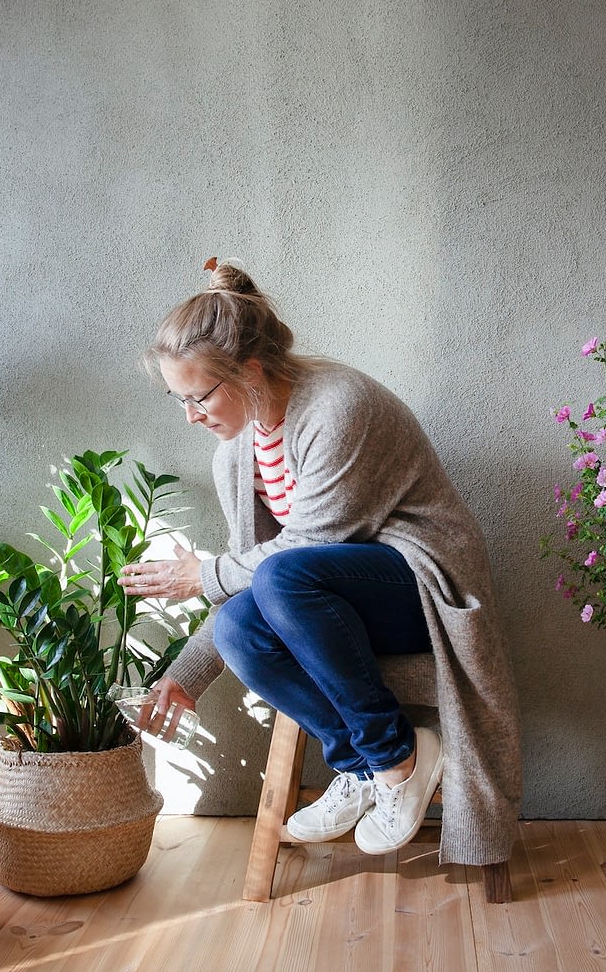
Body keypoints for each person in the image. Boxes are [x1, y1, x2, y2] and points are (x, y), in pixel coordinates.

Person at [118, 257, 521, 865]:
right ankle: (367, 765)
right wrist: (188, 672)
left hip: (422, 589)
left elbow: (297, 554)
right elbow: (247, 578)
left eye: (198, 397)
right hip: (325, 598)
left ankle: (394, 759)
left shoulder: (339, 409)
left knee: (284, 575)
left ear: (249, 371)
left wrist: (200, 574)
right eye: (179, 400)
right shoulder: (237, 451)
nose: (191, 416)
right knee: (237, 625)